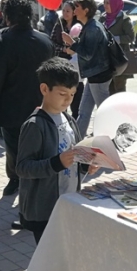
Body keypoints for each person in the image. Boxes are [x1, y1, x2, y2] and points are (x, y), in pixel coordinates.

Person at [0, 0, 55, 197]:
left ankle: (19, 183)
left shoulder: (2, 41)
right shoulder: (45, 40)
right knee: (37, 148)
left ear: (7, 16)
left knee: (15, 151)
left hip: (11, 109)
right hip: (41, 107)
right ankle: (33, 185)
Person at [15, 58, 97, 245]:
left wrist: (86, 166)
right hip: (44, 210)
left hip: (69, 202)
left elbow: (74, 158)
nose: (68, 100)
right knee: (49, 257)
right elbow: (22, 167)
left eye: (72, 94)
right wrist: (56, 162)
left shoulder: (69, 120)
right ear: (45, 89)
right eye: (62, 94)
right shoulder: (35, 125)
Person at [62, 0, 112, 137]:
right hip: (94, 74)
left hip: (99, 75)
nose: (74, 11)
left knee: (104, 111)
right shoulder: (90, 25)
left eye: (77, 7)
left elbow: (88, 54)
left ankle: (110, 137)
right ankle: (77, 139)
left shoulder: (92, 28)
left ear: (86, 10)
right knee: (83, 111)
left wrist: (72, 43)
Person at [103, 0, 135, 94]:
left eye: (108, 3)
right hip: (106, 59)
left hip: (119, 59)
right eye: (104, 2)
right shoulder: (103, 18)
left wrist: (115, 39)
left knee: (119, 88)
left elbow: (130, 37)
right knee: (109, 89)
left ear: (115, 4)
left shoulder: (124, 19)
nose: (105, 5)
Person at [56, 1, 84, 118]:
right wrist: (64, 49)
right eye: (63, 11)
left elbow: (83, 45)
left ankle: (76, 120)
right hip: (62, 64)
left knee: (77, 97)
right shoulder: (59, 25)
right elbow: (53, 43)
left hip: (76, 66)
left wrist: (73, 46)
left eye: (68, 11)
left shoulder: (79, 26)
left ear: (73, 13)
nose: (65, 13)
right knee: (62, 94)